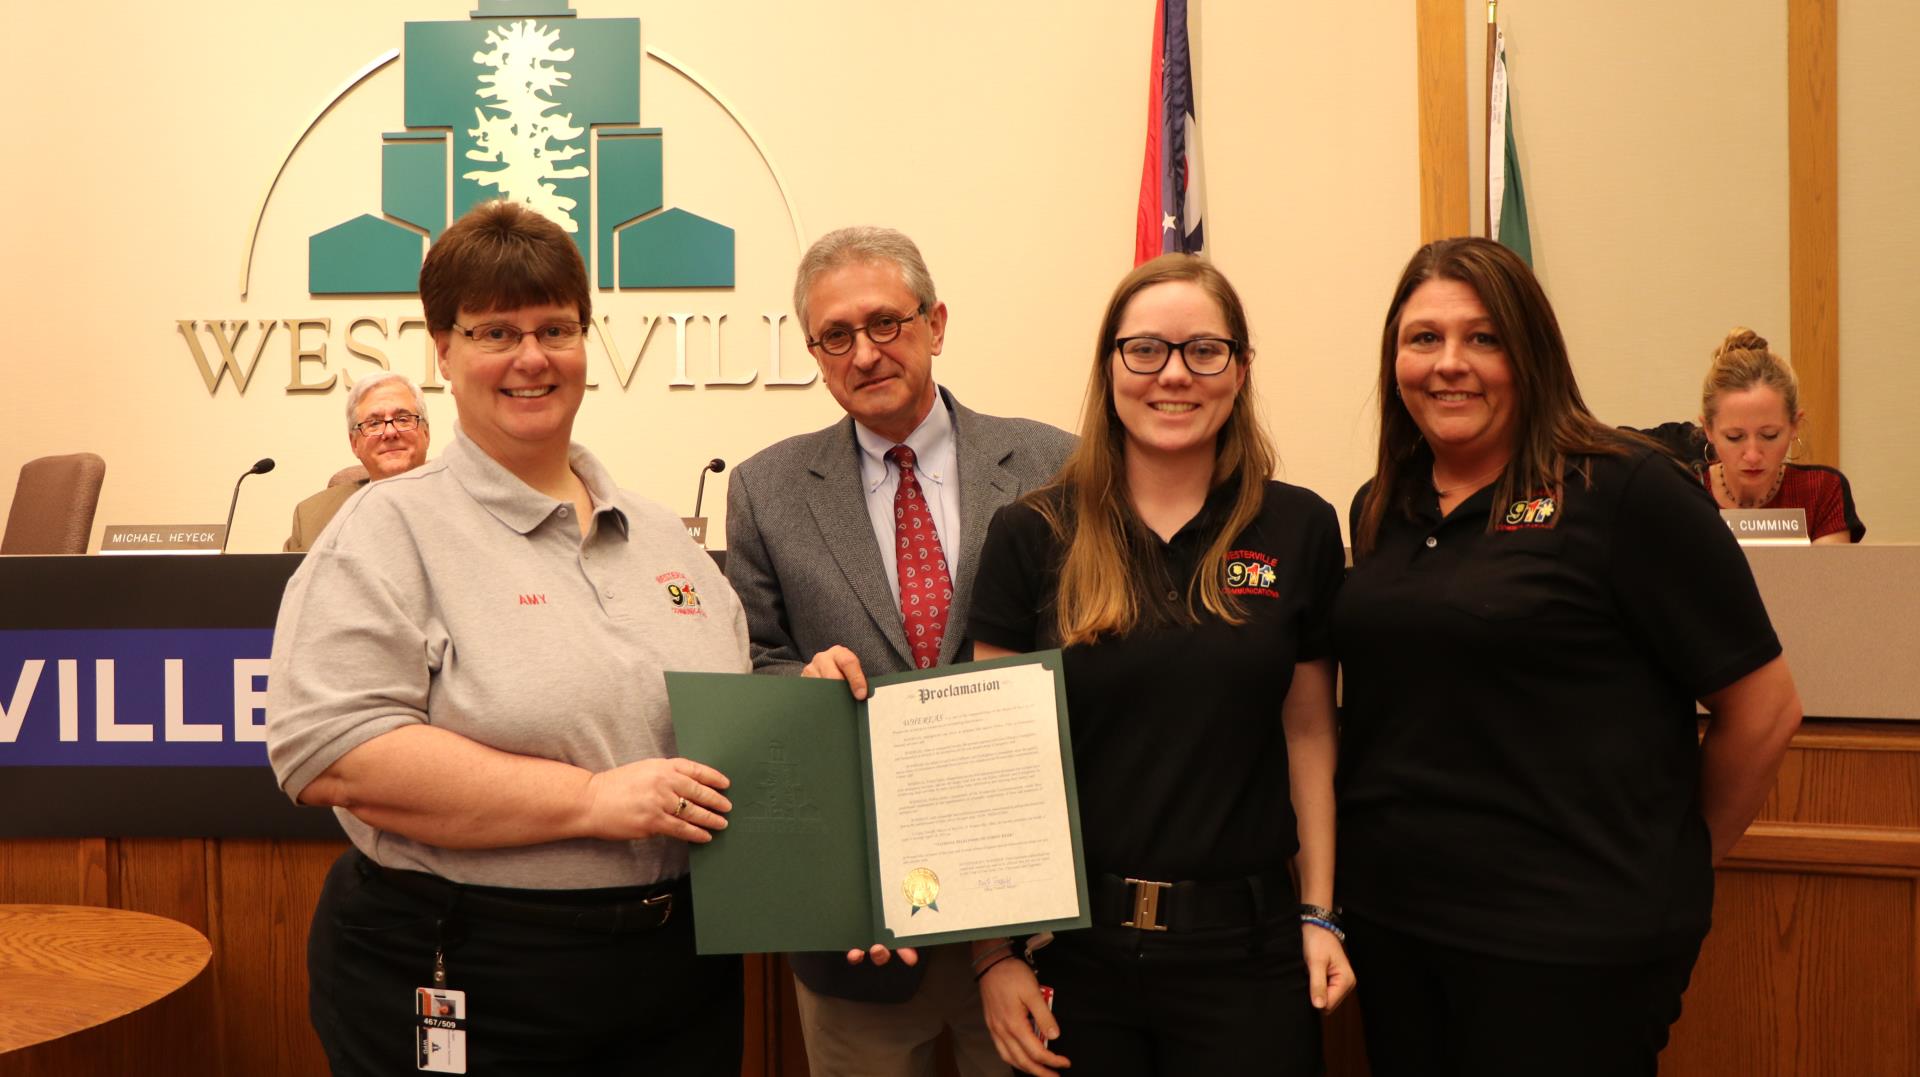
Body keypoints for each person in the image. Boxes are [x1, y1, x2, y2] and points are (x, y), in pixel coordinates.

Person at [266, 200, 748, 1075]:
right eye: (496, 331)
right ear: (443, 350)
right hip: (470, 972)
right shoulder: (386, 528)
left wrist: (809, 700)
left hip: (680, 978)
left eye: (555, 327)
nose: (532, 356)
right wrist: (592, 800)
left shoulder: (666, 536)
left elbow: (732, 736)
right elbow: (329, 751)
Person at [1335, 238, 1804, 1076]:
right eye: (1423, 338)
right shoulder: (1380, 507)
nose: (1450, 364)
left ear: (1533, 352)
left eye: (1484, 338)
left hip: (1571, 943)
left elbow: (1764, 708)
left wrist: (1677, 860)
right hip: (1398, 930)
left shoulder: (1625, 490)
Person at [962, 253, 1352, 1076]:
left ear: (1241, 370)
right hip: (1078, 957)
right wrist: (994, 956)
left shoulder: (1299, 527)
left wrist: (1320, 912)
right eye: (1146, 350)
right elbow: (988, 755)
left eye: (1204, 350)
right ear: (1109, 368)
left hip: (1251, 954)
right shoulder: (1031, 534)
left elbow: (1310, 734)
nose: (1174, 374)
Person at [724, 225, 1074, 1077]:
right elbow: (755, 661)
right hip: (860, 934)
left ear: (936, 323)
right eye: (835, 335)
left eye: (886, 322)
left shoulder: (1053, 463)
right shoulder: (765, 489)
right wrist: (800, 680)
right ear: (814, 350)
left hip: (1029, 917)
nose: (865, 352)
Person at [1680, 328, 1860, 543]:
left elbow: (1830, 576)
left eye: (1769, 435)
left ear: (1794, 425)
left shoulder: (1820, 490)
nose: (1753, 456)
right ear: (1708, 429)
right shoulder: (1685, 493)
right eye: (1735, 437)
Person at [283, 371, 431, 552]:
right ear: (354, 444)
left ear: (426, 434)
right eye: (374, 423)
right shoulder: (311, 518)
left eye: (402, 419)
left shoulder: (462, 504)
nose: (390, 432)